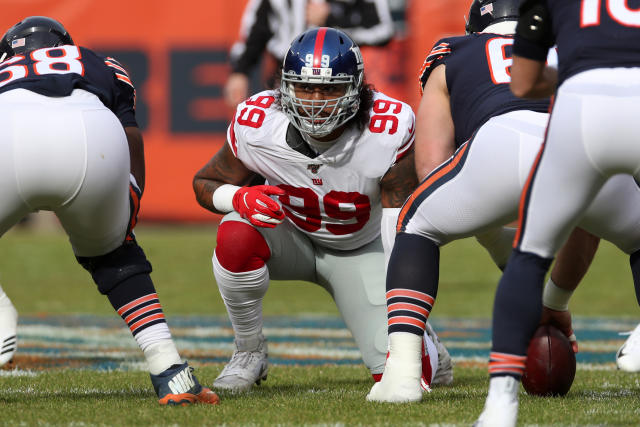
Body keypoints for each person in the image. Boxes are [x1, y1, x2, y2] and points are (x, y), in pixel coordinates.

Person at [367, 0, 640, 404]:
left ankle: (404, 372)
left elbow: (430, 166)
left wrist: (480, 213)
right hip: (583, 142)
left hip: (501, 141)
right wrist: (554, 304)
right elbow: (582, 221)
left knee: (416, 222)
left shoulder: (454, 51)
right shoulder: (571, 45)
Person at [194, 27, 452, 393]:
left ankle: (426, 341)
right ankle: (249, 351)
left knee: (407, 376)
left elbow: (403, 227)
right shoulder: (259, 123)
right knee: (235, 231)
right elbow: (205, 183)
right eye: (304, 87)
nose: (316, 100)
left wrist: (402, 312)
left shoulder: (387, 130)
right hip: (291, 236)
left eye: (330, 89)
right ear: (285, 87)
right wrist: (238, 198)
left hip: (362, 249)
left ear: (356, 89)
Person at [0, 16, 219, 406]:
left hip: (8, 127)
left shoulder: (5, 69)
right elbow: (130, 134)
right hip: (91, 136)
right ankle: (170, 372)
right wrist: (131, 200)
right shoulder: (97, 62)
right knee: (115, 256)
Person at [473, 0, 640, 425]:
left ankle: (500, 404)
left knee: (530, 254)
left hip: (581, 107)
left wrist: (576, 77)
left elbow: (525, 83)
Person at [225, 0, 394, 107]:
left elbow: (383, 29)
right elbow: (258, 28)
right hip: (286, 75)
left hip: (337, 78)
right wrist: (240, 71)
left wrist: (332, 21)